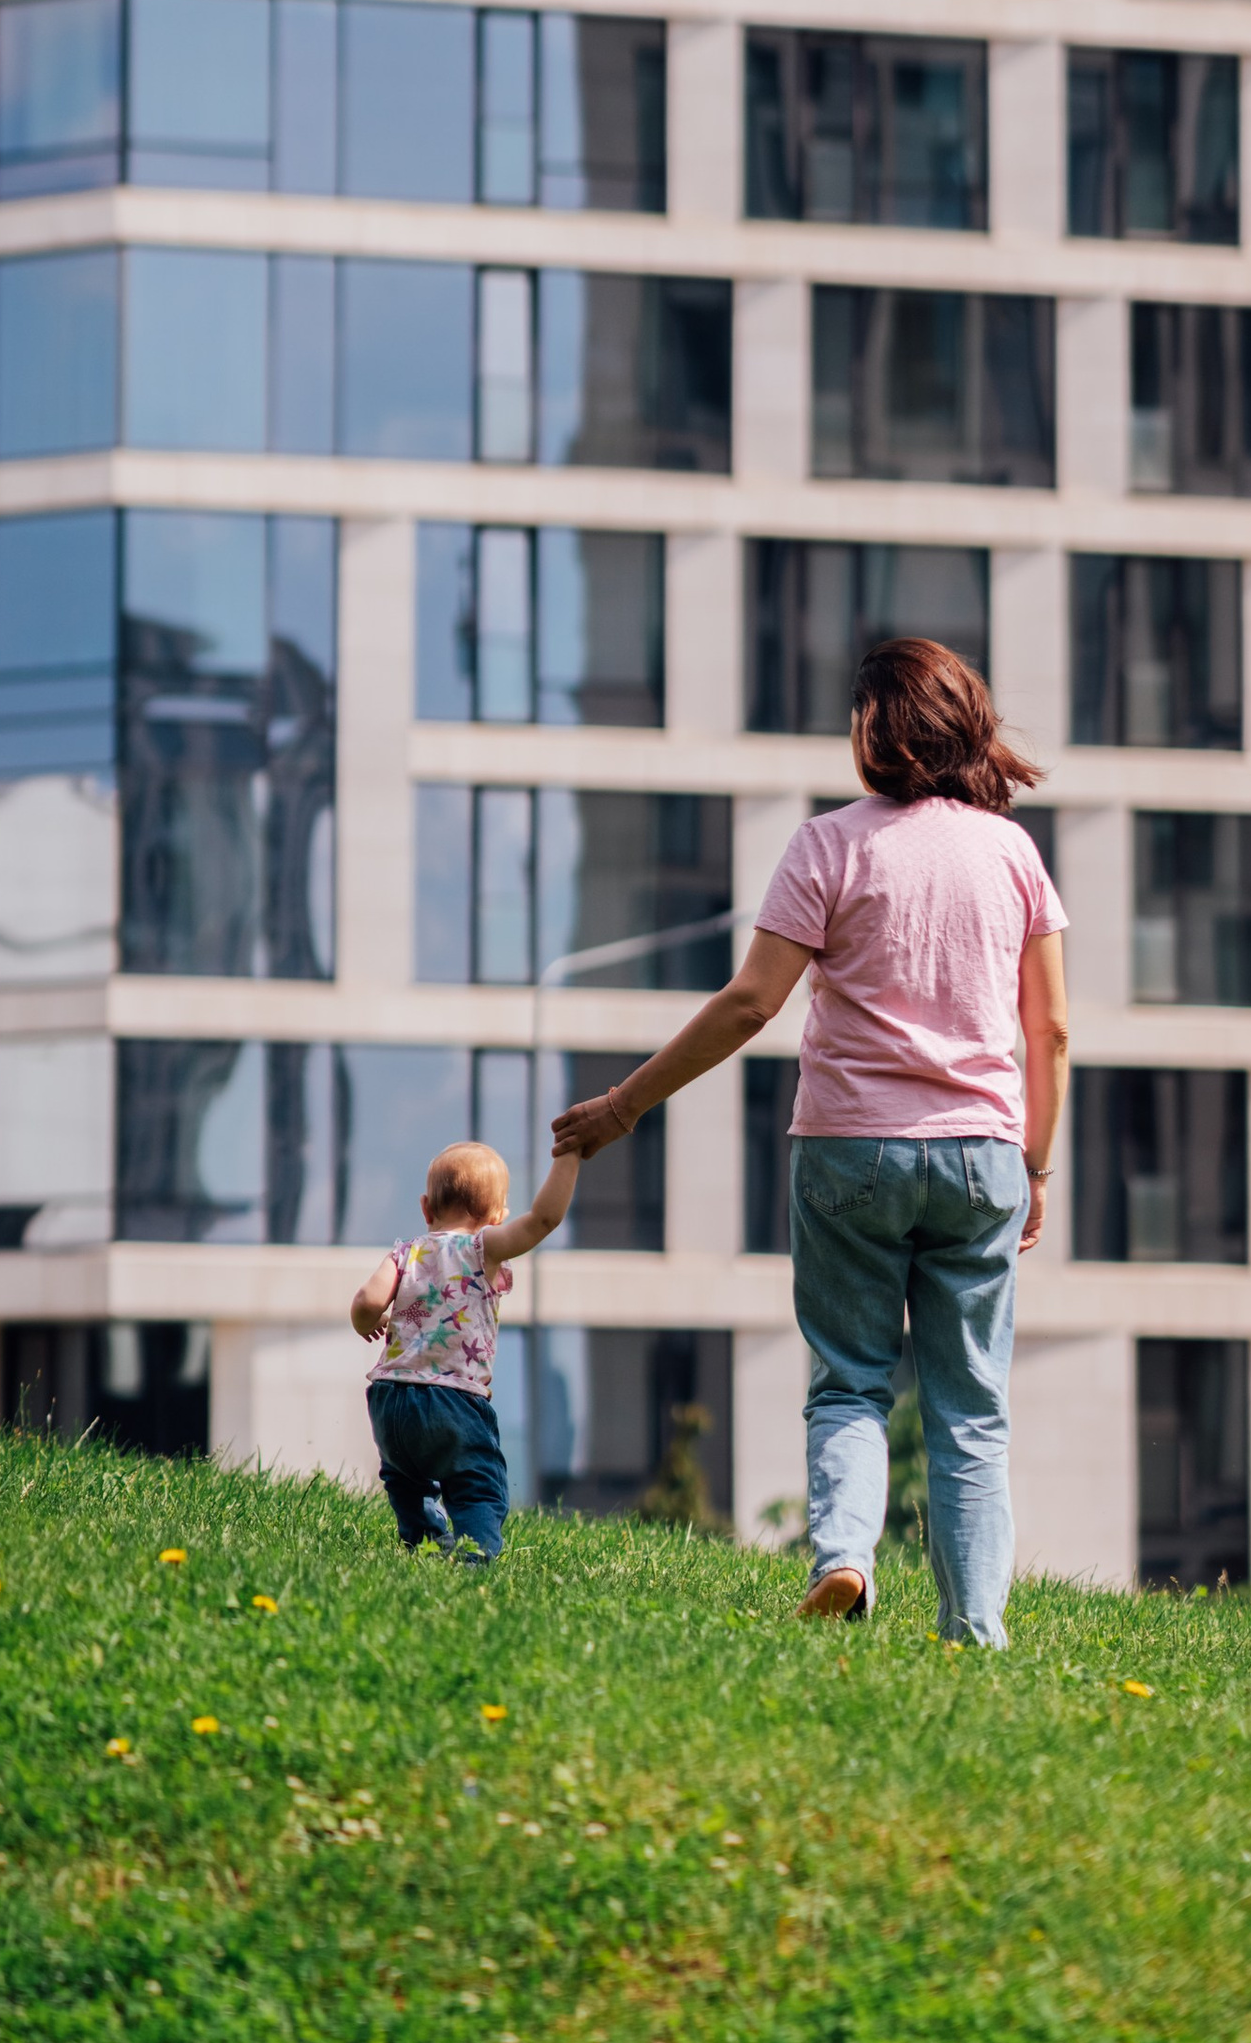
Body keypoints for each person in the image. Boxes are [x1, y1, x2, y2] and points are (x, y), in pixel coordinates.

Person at [552, 637, 1066, 1647]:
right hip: (981, 1153)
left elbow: (750, 1003)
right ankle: (976, 1630)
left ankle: (844, 1558)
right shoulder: (1013, 854)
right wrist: (1035, 1164)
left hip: (847, 1152)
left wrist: (625, 1105)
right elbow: (1047, 1028)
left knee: (850, 1379)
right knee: (971, 1407)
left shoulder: (827, 844)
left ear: (875, 731)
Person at [350, 1140, 579, 1561]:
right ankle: (474, 1559)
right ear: (496, 1217)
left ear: (426, 1208)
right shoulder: (482, 1248)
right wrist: (572, 1155)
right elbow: (544, 1219)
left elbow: (366, 1302)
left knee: (406, 1481)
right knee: (478, 1484)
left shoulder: (406, 1252)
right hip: (452, 1398)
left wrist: (371, 1324)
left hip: (389, 1399)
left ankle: (425, 1544)